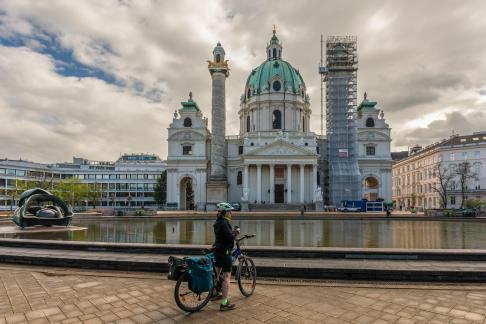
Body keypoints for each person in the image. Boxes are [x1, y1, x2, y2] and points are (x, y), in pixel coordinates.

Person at [213, 202, 240, 311]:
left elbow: (224, 235)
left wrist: (231, 232)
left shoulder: (217, 223)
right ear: (225, 213)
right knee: (226, 278)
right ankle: (224, 303)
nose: (231, 213)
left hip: (217, 252)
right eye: (229, 211)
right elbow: (229, 238)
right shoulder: (225, 223)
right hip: (225, 253)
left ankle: (214, 293)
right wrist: (236, 233)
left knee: (216, 273)